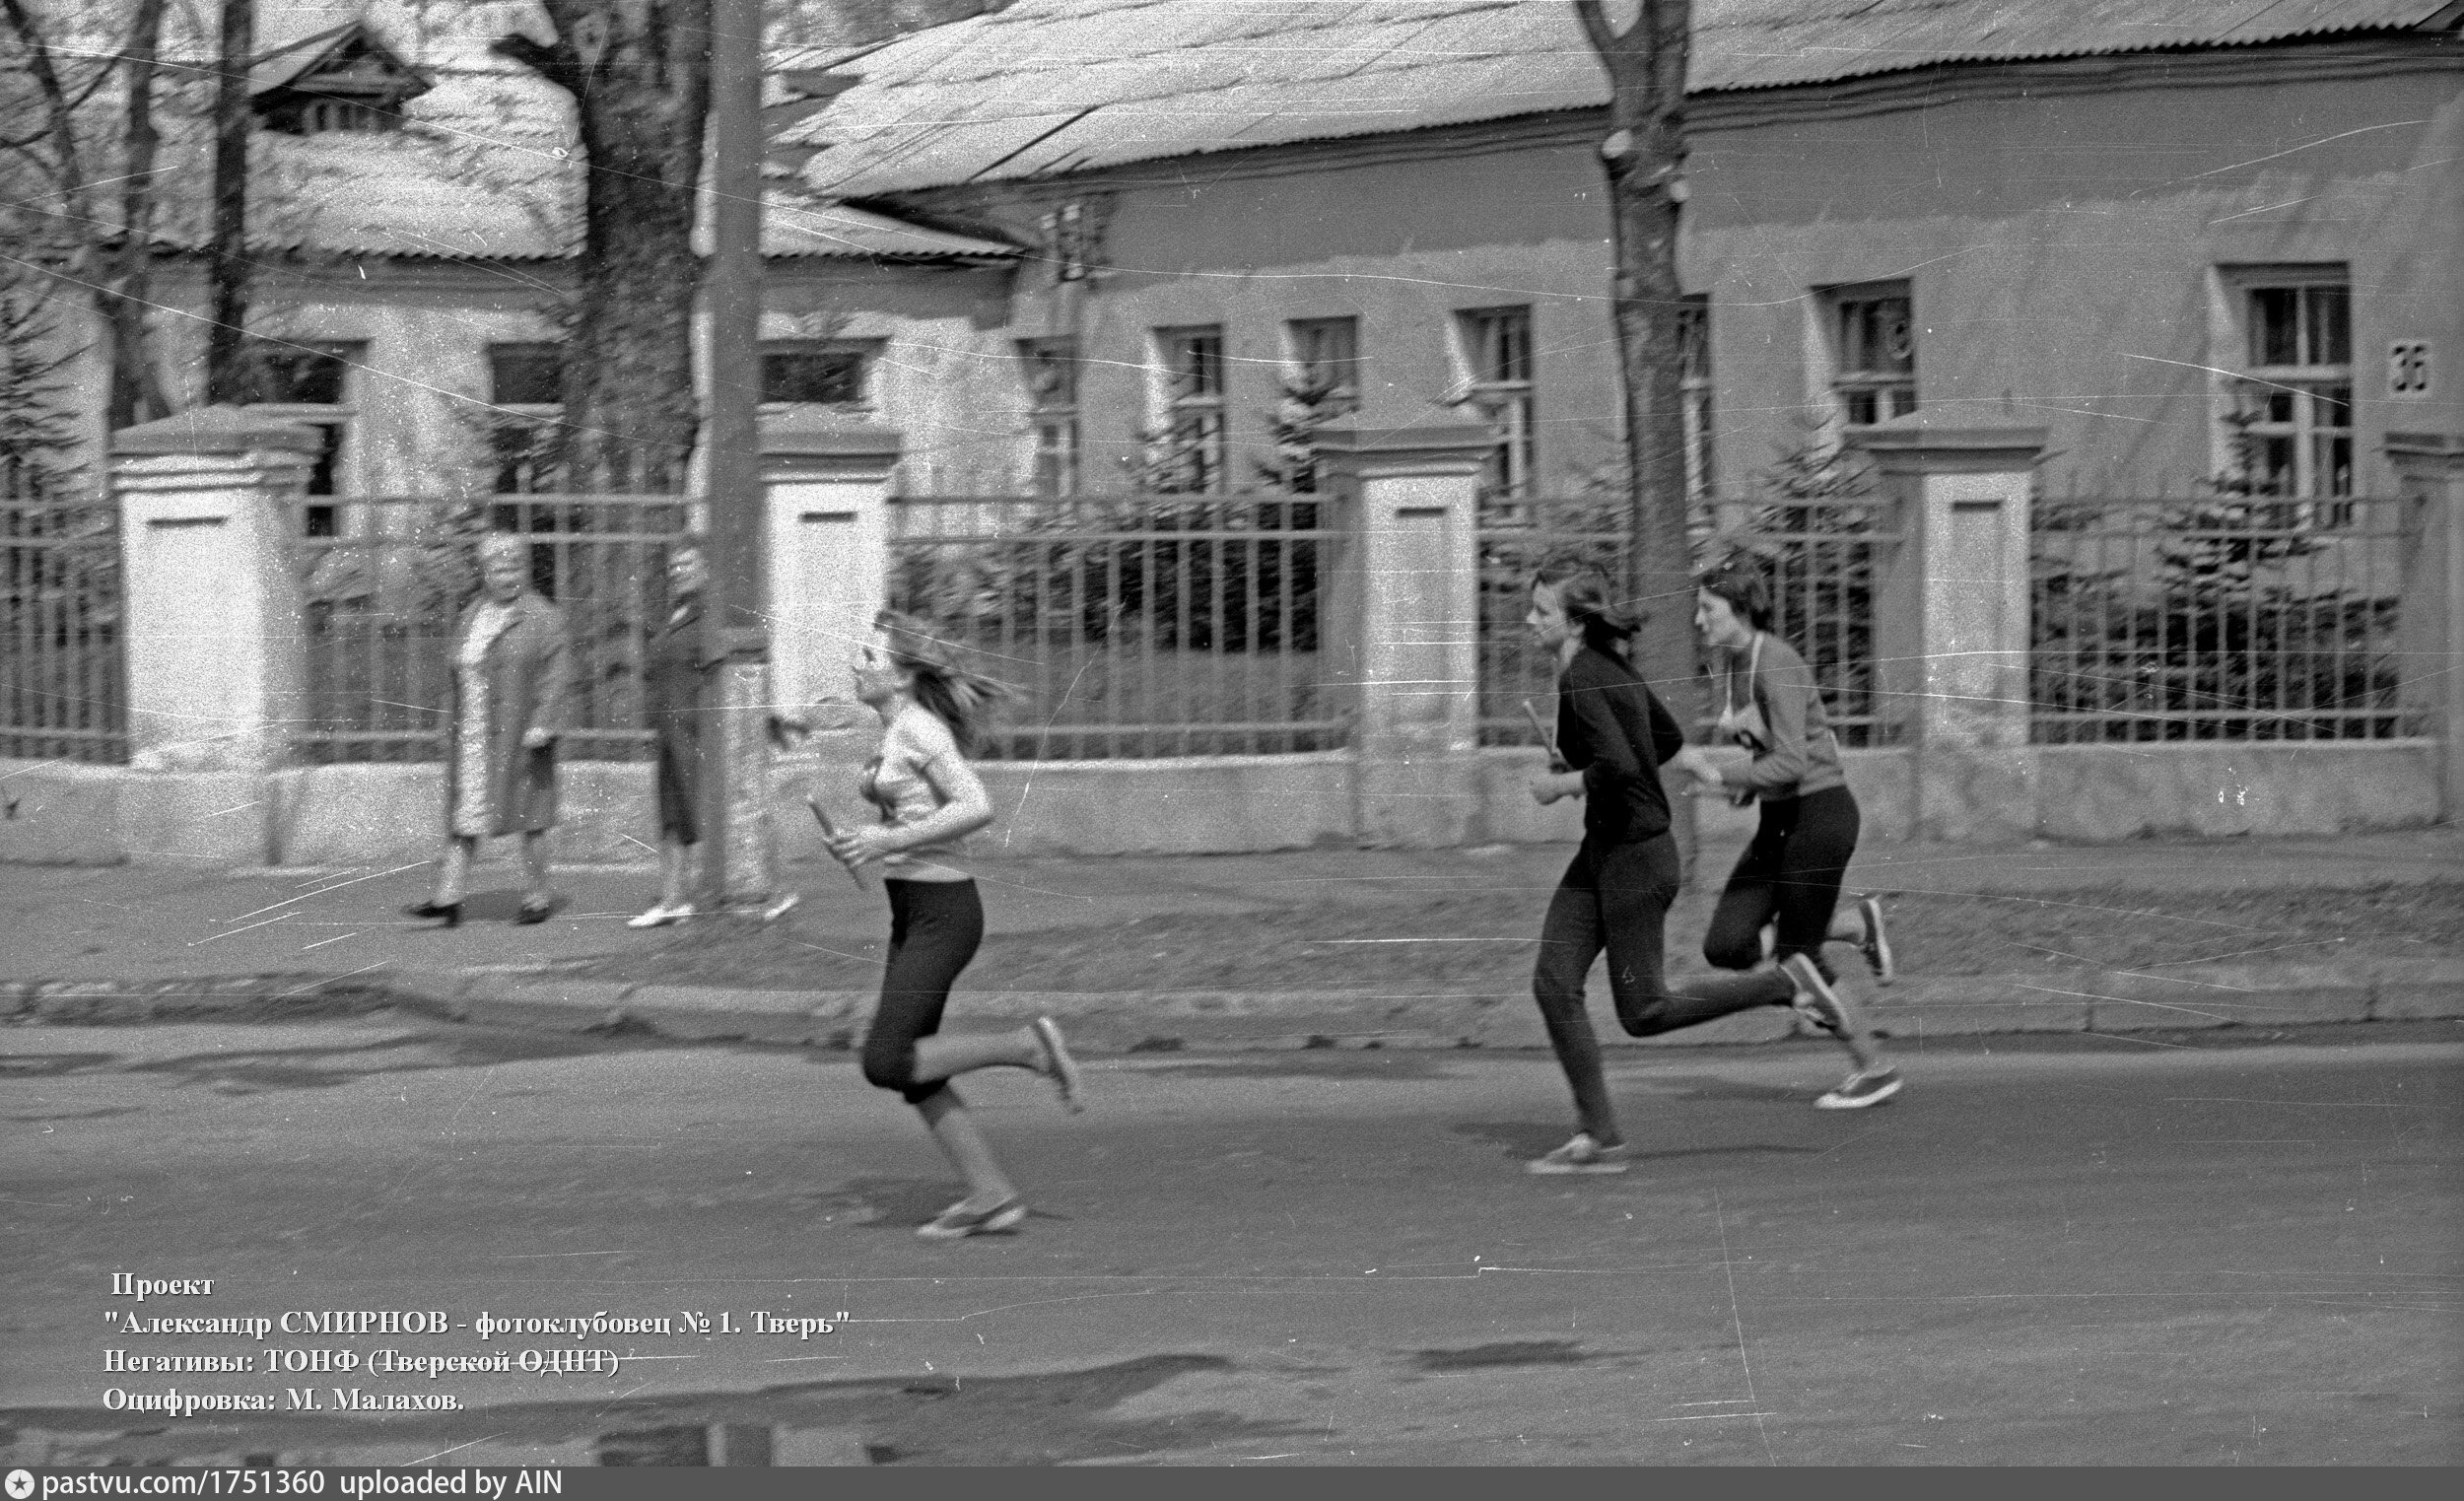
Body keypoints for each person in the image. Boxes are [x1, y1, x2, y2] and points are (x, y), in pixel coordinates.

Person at [1522, 565, 1870, 1175]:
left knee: (1645, 1011)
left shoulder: (1583, 673)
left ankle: (1785, 985)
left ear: (1574, 622)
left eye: (1542, 613)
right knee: (1553, 981)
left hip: (1634, 858)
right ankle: (1597, 1137)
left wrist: (1562, 783)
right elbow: (1663, 736)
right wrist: (1589, 759)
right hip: (1606, 850)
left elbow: (1625, 768)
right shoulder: (1603, 664)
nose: (1530, 622)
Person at [822, 609, 1084, 1240]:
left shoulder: (920, 731)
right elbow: (899, 816)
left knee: (887, 1060)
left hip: (944, 914)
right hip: (915, 912)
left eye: (870, 656)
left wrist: (884, 842)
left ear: (905, 674)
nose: (857, 664)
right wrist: (864, 842)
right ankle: (991, 1196)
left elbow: (976, 806)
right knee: (916, 1071)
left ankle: (1027, 1047)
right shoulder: (893, 729)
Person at [1678, 563, 1901, 1110]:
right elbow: (1767, 755)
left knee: (1800, 961)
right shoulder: (1735, 664)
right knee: (1726, 944)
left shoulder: (1776, 661)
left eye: (1709, 608)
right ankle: (1854, 924)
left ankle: (1873, 1067)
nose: (1698, 618)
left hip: (1819, 819)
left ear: (1743, 609)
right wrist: (1735, 789)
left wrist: (1719, 774)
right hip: (1779, 821)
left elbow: (1795, 762)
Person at [403, 532, 572, 927]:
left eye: (515, 567)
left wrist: (545, 721)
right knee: (466, 813)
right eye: (499, 568)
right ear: (484, 572)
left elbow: (559, 675)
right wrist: (446, 723)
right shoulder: (472, 615)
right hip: (475, 731)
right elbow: (455, 673)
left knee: (529, 817)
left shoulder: (542, 616)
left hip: (520, 733)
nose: (509, 575)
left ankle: (536, 897)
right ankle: (448, 898)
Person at [629, 540, 718, 928]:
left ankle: (695, 897)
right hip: (670, 730)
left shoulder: (710, 616)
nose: (679, 571)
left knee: (695, 814)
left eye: (688, 563)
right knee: (671, 816)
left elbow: (717, 678)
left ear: (707, 569)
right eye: (674, 566)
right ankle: (672, 899)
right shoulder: (674, 615)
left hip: (696, 732)